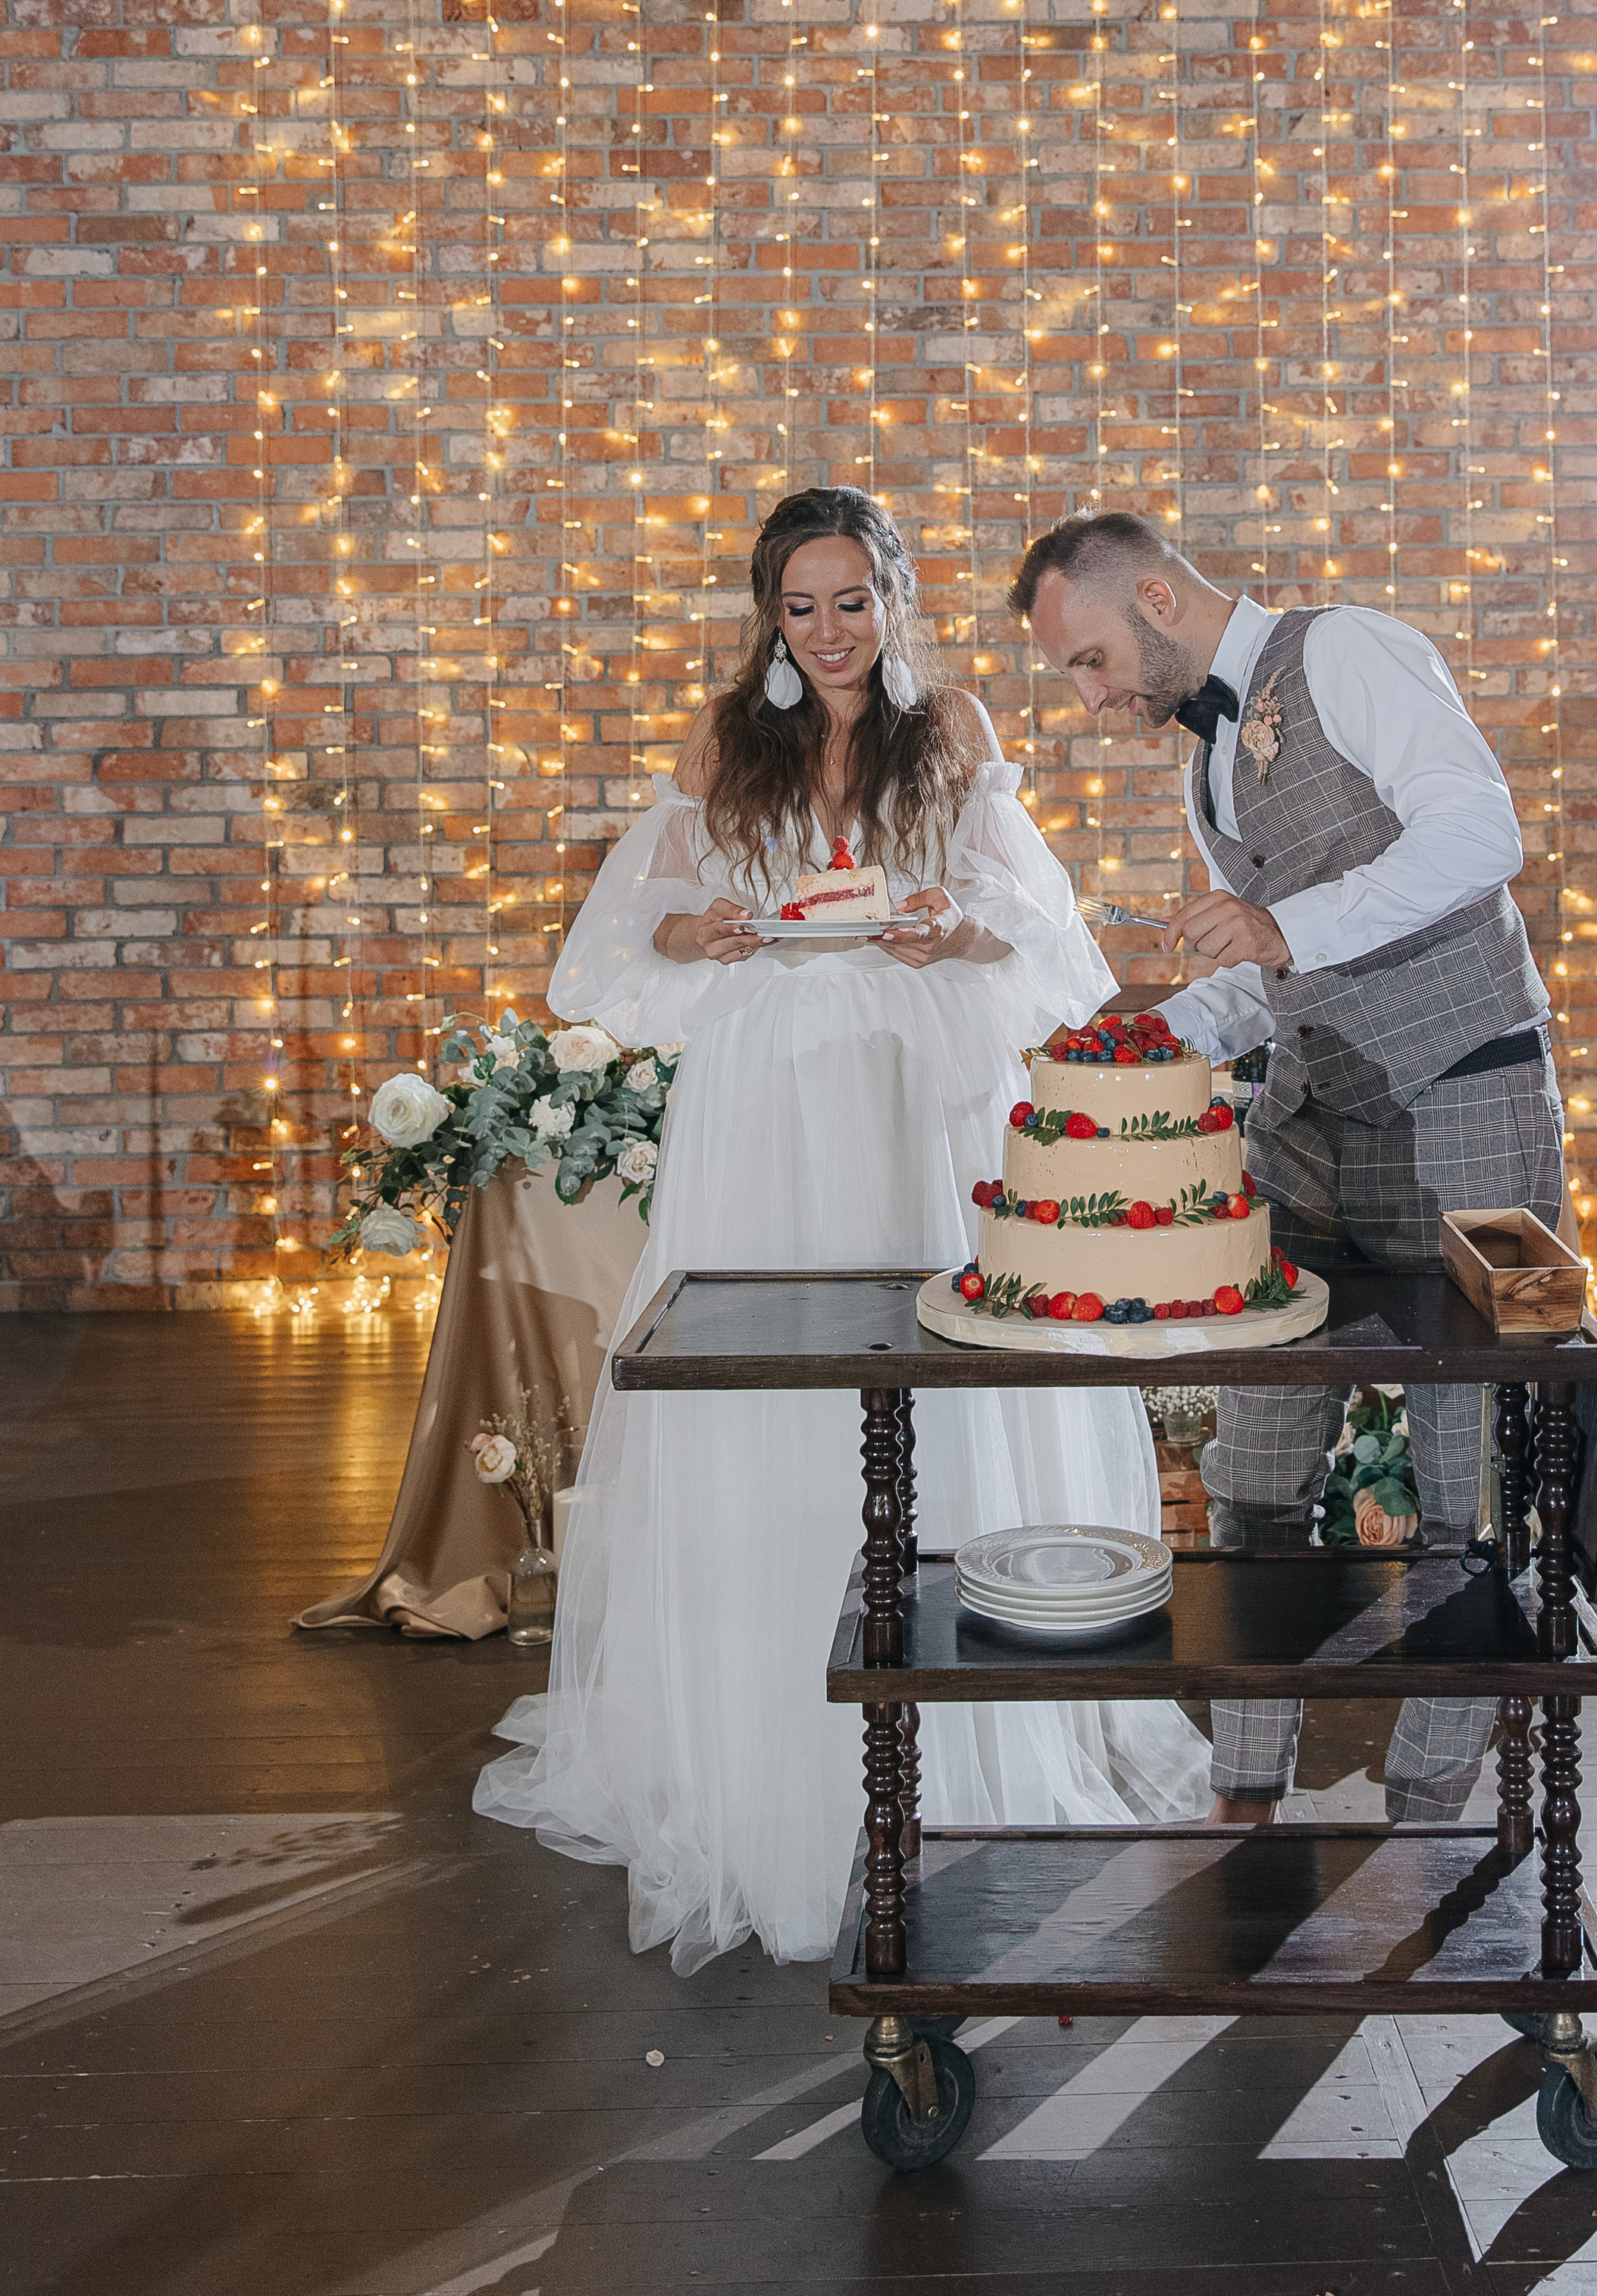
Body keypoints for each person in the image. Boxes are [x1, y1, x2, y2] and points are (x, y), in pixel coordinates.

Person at [476, 488, 1209, 1969]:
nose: (827, 633)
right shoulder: (725, 739)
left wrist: (953, 929)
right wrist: (714, 930)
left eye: (851, 601)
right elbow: (640, 932)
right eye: (800, 607)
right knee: (774, 1386)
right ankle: (764, 1740)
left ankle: (967, 1731)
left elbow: (1040, 933)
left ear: (892, 599)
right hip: (765, 1093)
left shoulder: (954, 732)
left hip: (907, 1085)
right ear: (771, 614)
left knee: (932, 1370)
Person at [1012, 510, 1565, 1830]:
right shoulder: (1207, 762)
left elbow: (1482, 835)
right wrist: (1163, 1032)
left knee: (1462, 1482)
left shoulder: (1354, 652)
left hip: (1463, 1098)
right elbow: (1271, 979)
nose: (1091, 701)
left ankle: (1432, 1805)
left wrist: (1282, 922)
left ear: (1154, 594)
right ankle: (1244, 1788)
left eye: (1091, 661)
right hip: (1311, 1129)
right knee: (1255, 1470)